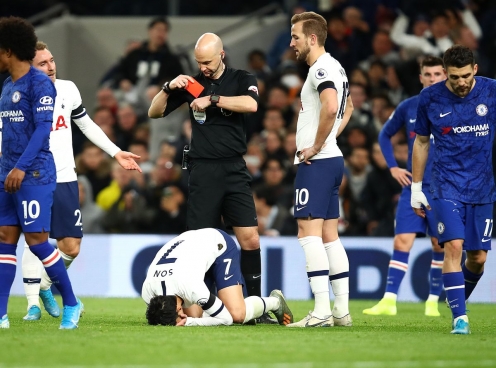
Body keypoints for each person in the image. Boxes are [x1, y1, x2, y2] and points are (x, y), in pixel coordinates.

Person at [148, 33, 274, 323]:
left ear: (221, 55)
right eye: (198, 62)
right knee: (199, 245)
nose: (203, 67)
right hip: (203, 171)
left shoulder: (242, 78)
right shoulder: (192, 84)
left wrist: (213, 99)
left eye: (207, 61)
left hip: (234, 169)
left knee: (250, 239)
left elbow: (251, 104)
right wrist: (168, 88)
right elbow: (154, 112)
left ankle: (254, 306)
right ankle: (208, 305)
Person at [21, 41, 142, 321]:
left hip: (65, 176)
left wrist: (115, 152)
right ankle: (31, 307)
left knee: (72, 246)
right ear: (29, 66)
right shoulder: (19, 95)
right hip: (34, 178)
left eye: (51, 60)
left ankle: (44, 286)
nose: (51, 66)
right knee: (33, 239)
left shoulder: (68, 89)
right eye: (43, 63)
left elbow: (85, 124)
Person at [0, 16, 81, 329]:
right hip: (8, 175)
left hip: (34, 175)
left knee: (37, 242)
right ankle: (2, 314)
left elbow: (42, 131)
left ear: (8, 51)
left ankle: (71, 303)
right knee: (5, 240)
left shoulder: (40, 84)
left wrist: (20, 167)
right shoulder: (8, 86)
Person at [411, 45, 495, 335]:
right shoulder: (430, 98)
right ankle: (460, 318)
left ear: (475, 69)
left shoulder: (491, 92)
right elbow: (421, 142)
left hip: (483, 187)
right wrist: (416, 187)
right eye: (455, 76)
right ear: (445, 73)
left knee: (478, 258)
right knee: (453, 247)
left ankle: (455, 297)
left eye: (465, 76)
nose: (461, 82)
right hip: (446, 184)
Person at [285, 12, 354, 328]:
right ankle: (340, 311)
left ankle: (321, 311)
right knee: (329, 235)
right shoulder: (336, 67)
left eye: (296, 36)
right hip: (333, 160)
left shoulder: (321, 69)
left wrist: (315, 145)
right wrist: (329, 141)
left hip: (317, 163)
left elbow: (331, 107)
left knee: (307, 233)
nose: (292, 42)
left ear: (312, 38)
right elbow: (347, 107)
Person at [363, 56, 446, 317]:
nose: (432, 79)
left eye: (437, 74)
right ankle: (389, 300)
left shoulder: (456, 106)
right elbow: (384, 134)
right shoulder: (409, 107)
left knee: (439, 243)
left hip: (443, 188)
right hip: (414, 186)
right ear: (420, 77)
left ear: (445, 76)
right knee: (402, 240)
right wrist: (393, 166)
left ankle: (433, 300)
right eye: (428, 74)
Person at [142, 228, 293, 326]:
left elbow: (226, 320)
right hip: (189, 246)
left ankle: (275, 301)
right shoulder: (147, 293)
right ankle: (218, 306)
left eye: (178, 314)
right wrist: (193, 318)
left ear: (178, 307)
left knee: (236, 314)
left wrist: (189, 322)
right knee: (196, 314)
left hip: (218, 245)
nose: (180, 316)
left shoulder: (192, 287)